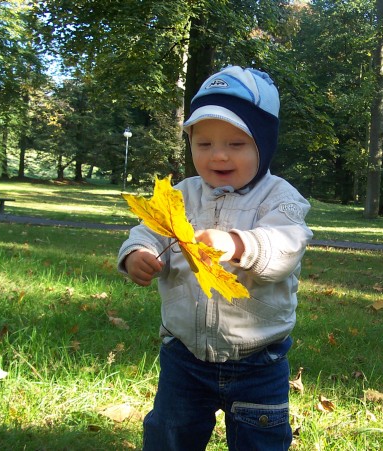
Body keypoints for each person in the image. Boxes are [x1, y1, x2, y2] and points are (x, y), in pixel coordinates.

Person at [117, 65, 313, 451]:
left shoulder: (280, 198)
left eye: (236, 144)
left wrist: (238, 245)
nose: (218, 155)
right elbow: (148, 230)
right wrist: (136, 253)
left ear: (264, 143)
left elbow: (285, 248)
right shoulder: (183, 194)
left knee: (262, 443)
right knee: (169, 437)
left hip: (259, 360)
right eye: (203, 144)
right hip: (184, 357)